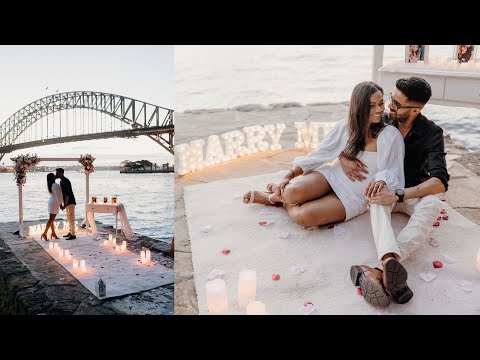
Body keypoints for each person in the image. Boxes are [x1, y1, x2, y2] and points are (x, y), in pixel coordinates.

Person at [243, 81, 405, 235]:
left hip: (354, 195)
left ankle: (277, 200)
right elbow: (322, 153)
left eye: (381, 103)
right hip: (332, 175)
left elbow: (393, 169)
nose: (378, 109)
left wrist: (380, 182)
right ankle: (283, 195)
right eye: (371, 106)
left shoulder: (390, 135)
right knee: (292, 192)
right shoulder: (347, 126)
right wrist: (289, 175)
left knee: (305, 216)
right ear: (359, 107)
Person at [342, 77, 449, 307]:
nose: (388, 106)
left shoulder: (432, 133)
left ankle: (380, 269)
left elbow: (440, 181)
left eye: (397, 104)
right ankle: (389, 261)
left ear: (415, 110)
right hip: (384, 187)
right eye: (392, 99)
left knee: (433, 204)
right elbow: (347, 133)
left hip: (410, 192)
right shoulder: (381, 121)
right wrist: (343, 158)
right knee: (375, 198)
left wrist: (400, 194)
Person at [41, 173, 63, 241]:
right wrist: (60, 204)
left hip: (51, 201)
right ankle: (44, 233)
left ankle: (53, 233)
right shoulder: (55, 185)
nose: (55, 176)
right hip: (54, 202)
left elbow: (57, 195)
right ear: (52, 178)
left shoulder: (50, 185)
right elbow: (58, 195)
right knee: (51, 219)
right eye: (54, 176)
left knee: (51, 219)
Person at [56, 168, 77, 240]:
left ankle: (73, 234)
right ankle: (70, 231)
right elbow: (63, 194)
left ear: (61, 173)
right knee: (68, 217)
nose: (56, 174)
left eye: (57, 173)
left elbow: (67, 194)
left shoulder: (65, 181)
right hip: (67, 202)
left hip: (70, 201)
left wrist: (64, 204)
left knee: (71, 218)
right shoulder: (62, 181)